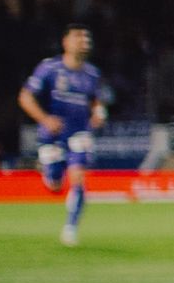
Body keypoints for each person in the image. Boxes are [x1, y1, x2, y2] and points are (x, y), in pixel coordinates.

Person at [18, 26, 110, 246]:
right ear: (65, 42)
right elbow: (25, 97)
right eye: (78, 36)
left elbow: (96, 100)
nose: (84, 41)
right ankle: (48, 171)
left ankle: (71, 227)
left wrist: (99, 113)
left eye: (86, 37)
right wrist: (45, 119)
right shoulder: (50, 68)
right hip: (52, 134)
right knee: (55, 184)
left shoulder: (92, 73)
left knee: (78, 176)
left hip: (80, 132)